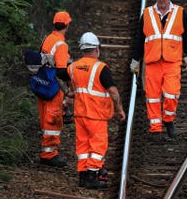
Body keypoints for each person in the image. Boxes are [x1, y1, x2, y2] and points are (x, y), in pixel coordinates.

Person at [130, 0, 187, 142]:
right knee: (152, 96)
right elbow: (140, 38)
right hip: (152, 61)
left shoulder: (180, 12)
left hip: (172, 61)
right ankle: (155, 129)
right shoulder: (147, 13)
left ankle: (168, 119)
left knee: (172, 93)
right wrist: (136, 60)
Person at [67, 32, 126, 189]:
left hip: (80, 114)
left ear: (82, 49)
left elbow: (68, 83)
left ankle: (83, 176)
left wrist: (68, 94)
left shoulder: (73, 67)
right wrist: (119, 109)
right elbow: (113, 92)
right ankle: (92, 176)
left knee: (83, 145)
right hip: (96, 114)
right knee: (98, 145)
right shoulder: (101, 68)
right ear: (97, 49)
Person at [37, 11, 74, 167]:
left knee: (45, 117)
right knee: (53, 120)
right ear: (67, 25)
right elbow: (61, 70)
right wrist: (68, 91)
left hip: (42, 83)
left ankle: (47, 151)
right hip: (53, 87)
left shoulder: (48, 39)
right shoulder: (61, 44)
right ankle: (49, 154)